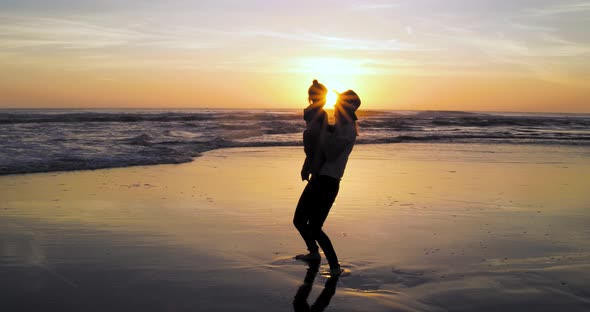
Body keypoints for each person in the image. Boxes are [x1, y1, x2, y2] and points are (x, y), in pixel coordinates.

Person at [293, 89, 361, 277]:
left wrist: (322, 131)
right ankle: (314, 254)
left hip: (328, 182)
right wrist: (307, 164)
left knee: (315, 228)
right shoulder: (338, 127)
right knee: (299, 220)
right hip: (319, 179)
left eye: (339, 104)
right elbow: (317, 148)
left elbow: (330, 153)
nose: (335, 107)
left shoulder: (347, 131)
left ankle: (334, 267)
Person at [301, 79, 328, 182]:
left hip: (311, 150)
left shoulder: (309, 111)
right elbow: (319, 138)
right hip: (317, 153)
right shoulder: (321, 114)